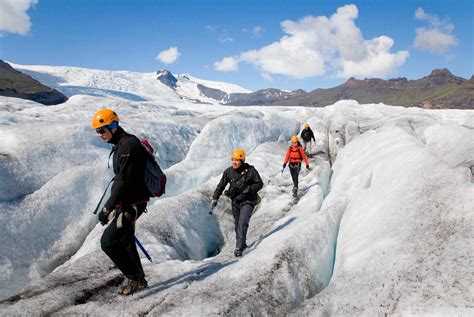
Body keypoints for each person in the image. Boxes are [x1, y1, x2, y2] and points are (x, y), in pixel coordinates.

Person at [91, 109, 150, 296]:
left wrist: (107, 208)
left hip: (132, 204)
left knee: (108, 241)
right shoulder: (122, 144)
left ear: (113, 126)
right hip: (128, 202)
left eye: (102, 130)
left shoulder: (128, 146)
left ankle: (133, 277)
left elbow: (122, 182)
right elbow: (122, 180)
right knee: (125, 241)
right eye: (97, 131)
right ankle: (139, 279)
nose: (99, 135)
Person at [211, 149, 263, 257]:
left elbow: (259, 184)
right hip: (236, 201)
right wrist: (215, 197)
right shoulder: (228, 172)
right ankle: (242, 244)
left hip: (248, 200)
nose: (234, 162)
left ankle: (238, 247)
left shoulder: (251, 171)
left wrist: (248, 189)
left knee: (242, 222)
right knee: (237, 224)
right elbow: (221, 185)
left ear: (242, 161)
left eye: (237, 160)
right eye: (233, 160)